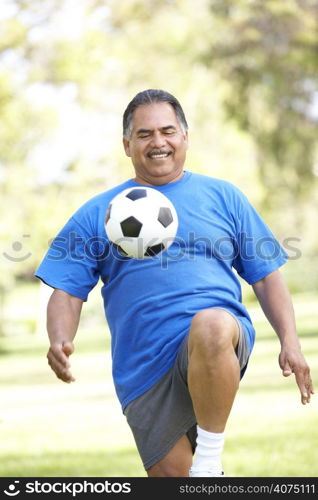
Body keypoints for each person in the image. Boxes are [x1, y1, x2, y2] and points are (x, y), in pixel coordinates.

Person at [35, 89, 314, 478]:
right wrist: (59, 338)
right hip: (143, 364)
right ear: (127, 145)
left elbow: (266, 277)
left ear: (184, 136)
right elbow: (66, 288)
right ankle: (208, 476)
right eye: (145, 134)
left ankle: (209, 459)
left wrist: (291, 342)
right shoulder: (98, 213)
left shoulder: (224, 197)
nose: (158, 142)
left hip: (218, 338)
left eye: (167, 130)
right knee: (176, 485)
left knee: (211, 323)